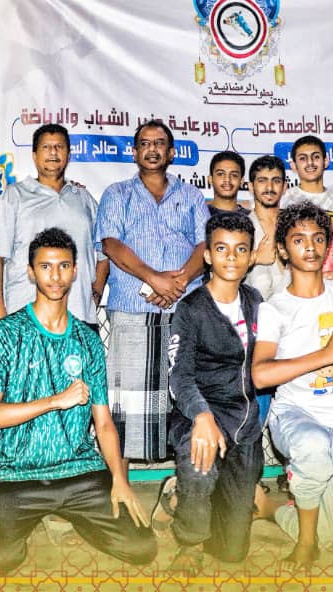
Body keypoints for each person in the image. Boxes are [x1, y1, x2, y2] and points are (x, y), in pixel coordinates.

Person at [0, 228, 157, 575]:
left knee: (141, 548)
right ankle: (40, 516)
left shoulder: (87, 339)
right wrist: (55, 401)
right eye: (45, 267)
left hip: (79, 472)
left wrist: (120, 478)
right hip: (18, 475)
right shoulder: (6, 334)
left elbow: (103, 423)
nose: (55, 276)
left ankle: (74, 517)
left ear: (75, 271)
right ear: (31, 272)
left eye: (63, 266)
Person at [250, 202, 333, 571]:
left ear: (328, 245)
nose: (309, 247)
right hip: (293, 414)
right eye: (298, 240)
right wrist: (326, 355)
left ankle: (270, 509)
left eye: (318, 238)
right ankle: (305, 545)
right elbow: (260, 375)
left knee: (326, 531)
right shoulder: (275, 308)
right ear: (283, 250)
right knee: (313, 449)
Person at [94, 119, 209, 463]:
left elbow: (206, 244)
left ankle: (182, 477)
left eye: (160, 143)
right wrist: (154, 278)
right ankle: (121, 480)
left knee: (183, 391)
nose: (152, 149)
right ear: (134, 152)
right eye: (145, 143)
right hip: (132, 307)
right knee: (127, 399)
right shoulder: (117, 194)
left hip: (184, 307)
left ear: (171, 153)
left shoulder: (191, 196)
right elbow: (111, 245)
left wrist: (178, 283)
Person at [165, 213, 263, 572]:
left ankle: (188, 497)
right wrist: (202, 416)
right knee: (199, 460)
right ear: (207, 255)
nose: (231, 257)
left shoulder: (256, 301)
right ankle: (189, 540)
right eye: (221, 249)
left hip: (245, 424)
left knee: (232, 552)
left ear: (251, 257)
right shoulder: (191, 309)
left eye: (241, 249)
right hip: (202, 413)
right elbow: (179, 376)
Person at [0, 123, 107, 331]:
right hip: (25, 317)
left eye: (59, 147)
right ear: (34, 156)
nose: (53, 152)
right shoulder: (16, 195)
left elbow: (104, 252)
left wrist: (95, 292)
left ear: (68, 155)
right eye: (46, 147)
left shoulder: (83, 198)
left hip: (79, 318)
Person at [245, 154, 287, 301]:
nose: (269, 187)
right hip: (255, 311)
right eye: (262, 181)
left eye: (276, 181)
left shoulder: (295, 226)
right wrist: (254, 258)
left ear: (284, 187)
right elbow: (222, 271)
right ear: (251, 187)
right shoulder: (240, 229)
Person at [279, 135, 333, 218]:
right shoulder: (284, 200)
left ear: (325, 162)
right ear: (293, 166)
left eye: (316, 157)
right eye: (303, 158)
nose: (310, 162)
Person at [206, 151, 249, 217]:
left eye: (234, 175)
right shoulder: (199, 214)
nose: (227, 179)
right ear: (210, 179)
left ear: (241, 181)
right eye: (220, 174)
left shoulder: (252, 218)